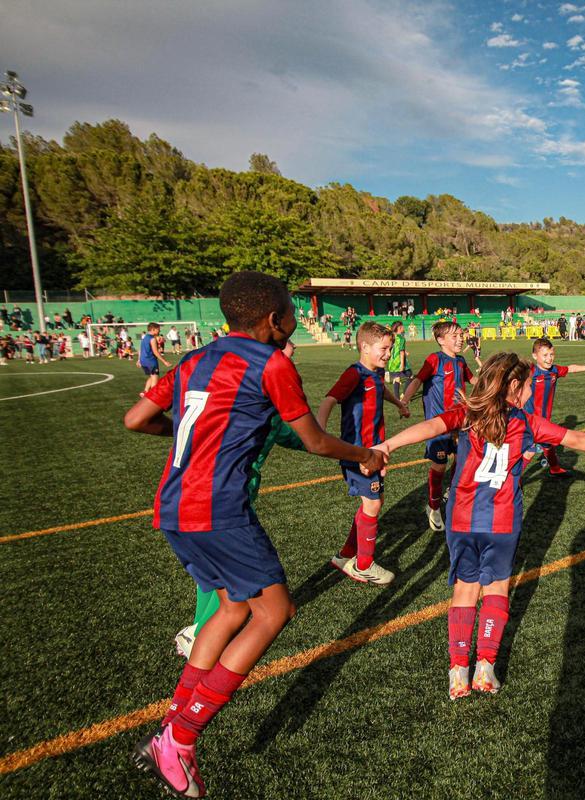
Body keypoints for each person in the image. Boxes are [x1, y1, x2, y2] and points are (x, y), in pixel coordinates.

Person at [124, 271, 385, 798]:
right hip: (219, 511)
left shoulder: (195, 358)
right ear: (273, 318)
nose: (294, 320)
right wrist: (366, 455)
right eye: (290, 311)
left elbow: (136, 419)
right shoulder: (271, 362)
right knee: (274, 612)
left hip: (172, 508)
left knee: (230, 609)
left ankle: (170, 726)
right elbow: (313, 441)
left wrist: (193, 436)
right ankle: (180, 738)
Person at [374, 353, 585, 697]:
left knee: (465, 589)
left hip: (462, 520)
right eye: (528, 385)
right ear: (514, 386)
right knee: (497, 587)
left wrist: (389, 444)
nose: (530, 391)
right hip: (501, 521)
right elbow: (572, 438)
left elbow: (432, 426)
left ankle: (458, 672)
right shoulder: (526, 422)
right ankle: (485, 668)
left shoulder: (468, 414)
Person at [173, 342, 306, 659]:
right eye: (285, 355)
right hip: (229, 497)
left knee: (212, 574)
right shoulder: (261, 399)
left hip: (196, 491)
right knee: (241, 590)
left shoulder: (240, 391)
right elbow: (302, 437)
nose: (289, 362)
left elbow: (288, 437)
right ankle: (201, 633)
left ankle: (197, 628)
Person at [319, 321, 405, 585]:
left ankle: (346, 555)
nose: (388, 354)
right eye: (384, 349)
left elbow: (381, 389)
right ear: (365, 347)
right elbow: (329, 400)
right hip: (357, 453)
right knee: (373, 504)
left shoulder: (376, 373)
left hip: (374, 452)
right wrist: (319, 430)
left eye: (390, 349)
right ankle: (364, 565)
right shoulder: (354, 374)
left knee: (373, 502)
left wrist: (399, 403)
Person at [399, 320, 478, 532]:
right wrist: (404, 401)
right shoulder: (435, 359)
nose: (460, 339)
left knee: (462, 460)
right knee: (439, 465)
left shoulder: (461, 361)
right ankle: (433, 507)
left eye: (461, 335)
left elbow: (473, 381)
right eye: (455, 336)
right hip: (439, 424)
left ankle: (451, 491)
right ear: (441, 340)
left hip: (460, 423)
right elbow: (417, 380)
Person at [523, 337, 585, 477]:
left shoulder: (554, 370)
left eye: (551, 354)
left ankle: (554, 469)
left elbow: (570, 368)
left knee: (548, 444)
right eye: (545, 355)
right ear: (535, 356)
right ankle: (513, 479)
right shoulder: (531, 371)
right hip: (531, 420)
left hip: (544, 420)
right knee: (530, 451)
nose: (549, 358)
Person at [138, 323, 172, 396]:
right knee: (155, 379)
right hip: (151, 361)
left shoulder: (144, 337)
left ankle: (145, 391)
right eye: (158, 330)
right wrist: (164, 361)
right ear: (153, 329)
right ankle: (152, 396)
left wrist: (139, 360)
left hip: (143, 361)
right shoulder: (152, 339)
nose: (159, 331)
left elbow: (140, 349)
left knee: (152, 376)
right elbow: (155, 352)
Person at [385, 320, 411, 399]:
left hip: (392, 362)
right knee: (410, 376)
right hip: (399, 361)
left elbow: (393, 347)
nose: (404, 327)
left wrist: (405, 351)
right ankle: (404, 394)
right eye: (402, 326)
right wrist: (402, 364)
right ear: (399, 328)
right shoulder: (401, 338)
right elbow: (401, 352)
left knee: (397, 379)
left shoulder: (391, 337)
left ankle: (397, 399)